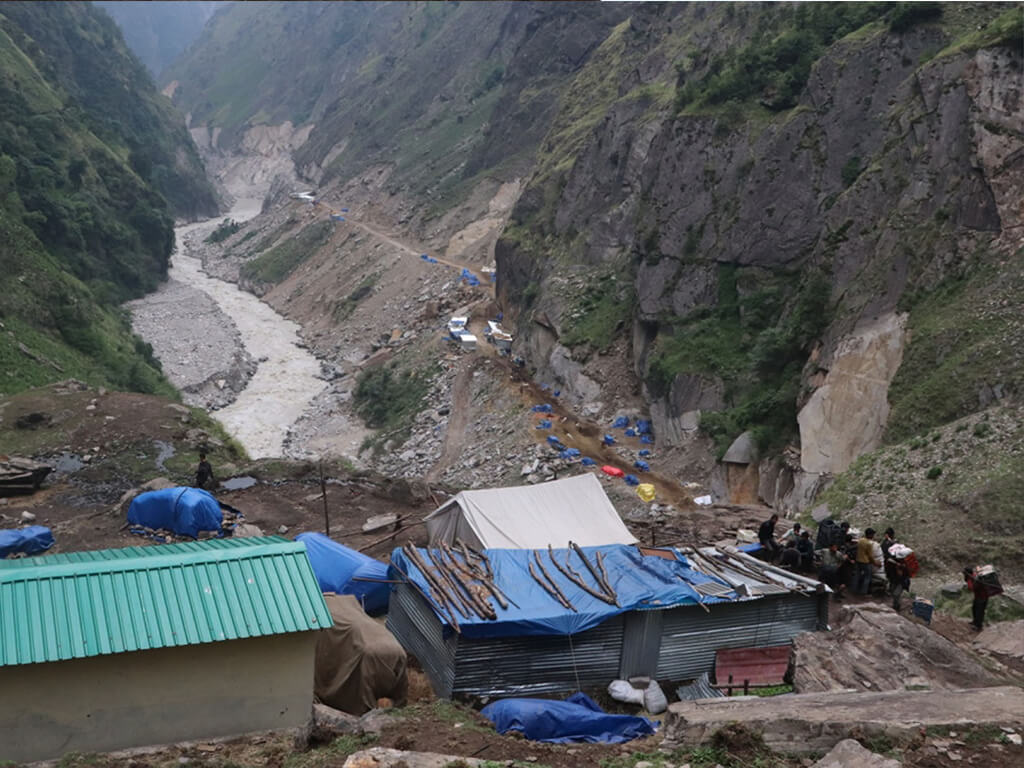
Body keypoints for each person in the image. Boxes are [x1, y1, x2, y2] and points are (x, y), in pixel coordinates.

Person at [854, 528, 877, 595]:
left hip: (858, 560)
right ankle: (863, 592)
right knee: (867, 577)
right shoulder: (869, 544)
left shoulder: (860, 540)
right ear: (869, 535)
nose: (873, 536)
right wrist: (875, 563)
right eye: (873, 534)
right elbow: (870, 556)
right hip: (865, 562)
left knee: (857, 575)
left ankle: (854, 589)